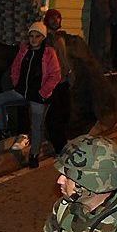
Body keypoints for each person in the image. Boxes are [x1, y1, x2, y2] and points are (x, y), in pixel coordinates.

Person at [0, 22, 60, 168]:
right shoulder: (24, 51)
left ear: (43, 38)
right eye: (31, 36)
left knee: (36, 125)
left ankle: (34, 154)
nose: (34, 39)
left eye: (37, 36)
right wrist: (16, 83)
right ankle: (2, 128)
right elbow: (15, 67)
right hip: (22, 91)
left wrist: (43, 92)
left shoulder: (48, 53)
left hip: (38, 95)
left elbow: (55, 75)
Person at [43, 9, 73, 154]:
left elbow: (64, 61)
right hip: (53, 82)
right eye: (52, 18)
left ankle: (62, 143)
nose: (55, 21)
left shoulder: (59, 38)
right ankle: (59, 145)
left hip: (63, 81)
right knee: (55, 115)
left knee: (64, 113)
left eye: (58, 18)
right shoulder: (47, 39)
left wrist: (68, 75)